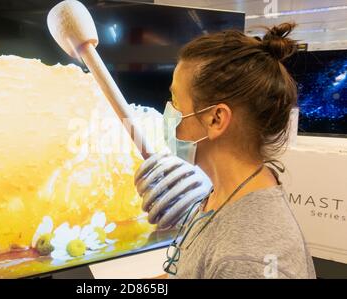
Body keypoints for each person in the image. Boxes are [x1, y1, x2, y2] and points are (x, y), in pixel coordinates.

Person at [134, 22, 316, 279]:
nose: (169, 112)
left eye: (176, 101)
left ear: (216, 119)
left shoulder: (245, 261)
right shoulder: (225, 191)